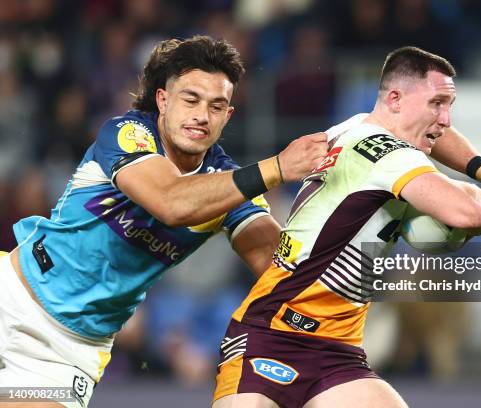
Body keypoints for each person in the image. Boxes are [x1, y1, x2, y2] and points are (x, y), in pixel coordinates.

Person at [0, 35, 328, 408]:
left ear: (228, 116)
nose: (202, 116)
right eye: (191, 99)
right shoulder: (129, 133)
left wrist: (349, 212)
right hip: (10, 293)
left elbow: (283, 273)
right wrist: (278, 168)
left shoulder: (229, 188)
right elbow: (170, 202)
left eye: (216, 106)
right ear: (163, 99)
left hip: (65, 351)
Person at [213, 46, 481, 407]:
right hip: (271, 334)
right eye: (437, 103)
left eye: (449, 105)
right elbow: (469, 214)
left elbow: (436, 138)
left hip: (337, 350)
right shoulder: (390, 156)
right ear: (395, 99)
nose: (447, 119)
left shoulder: (356, 125)